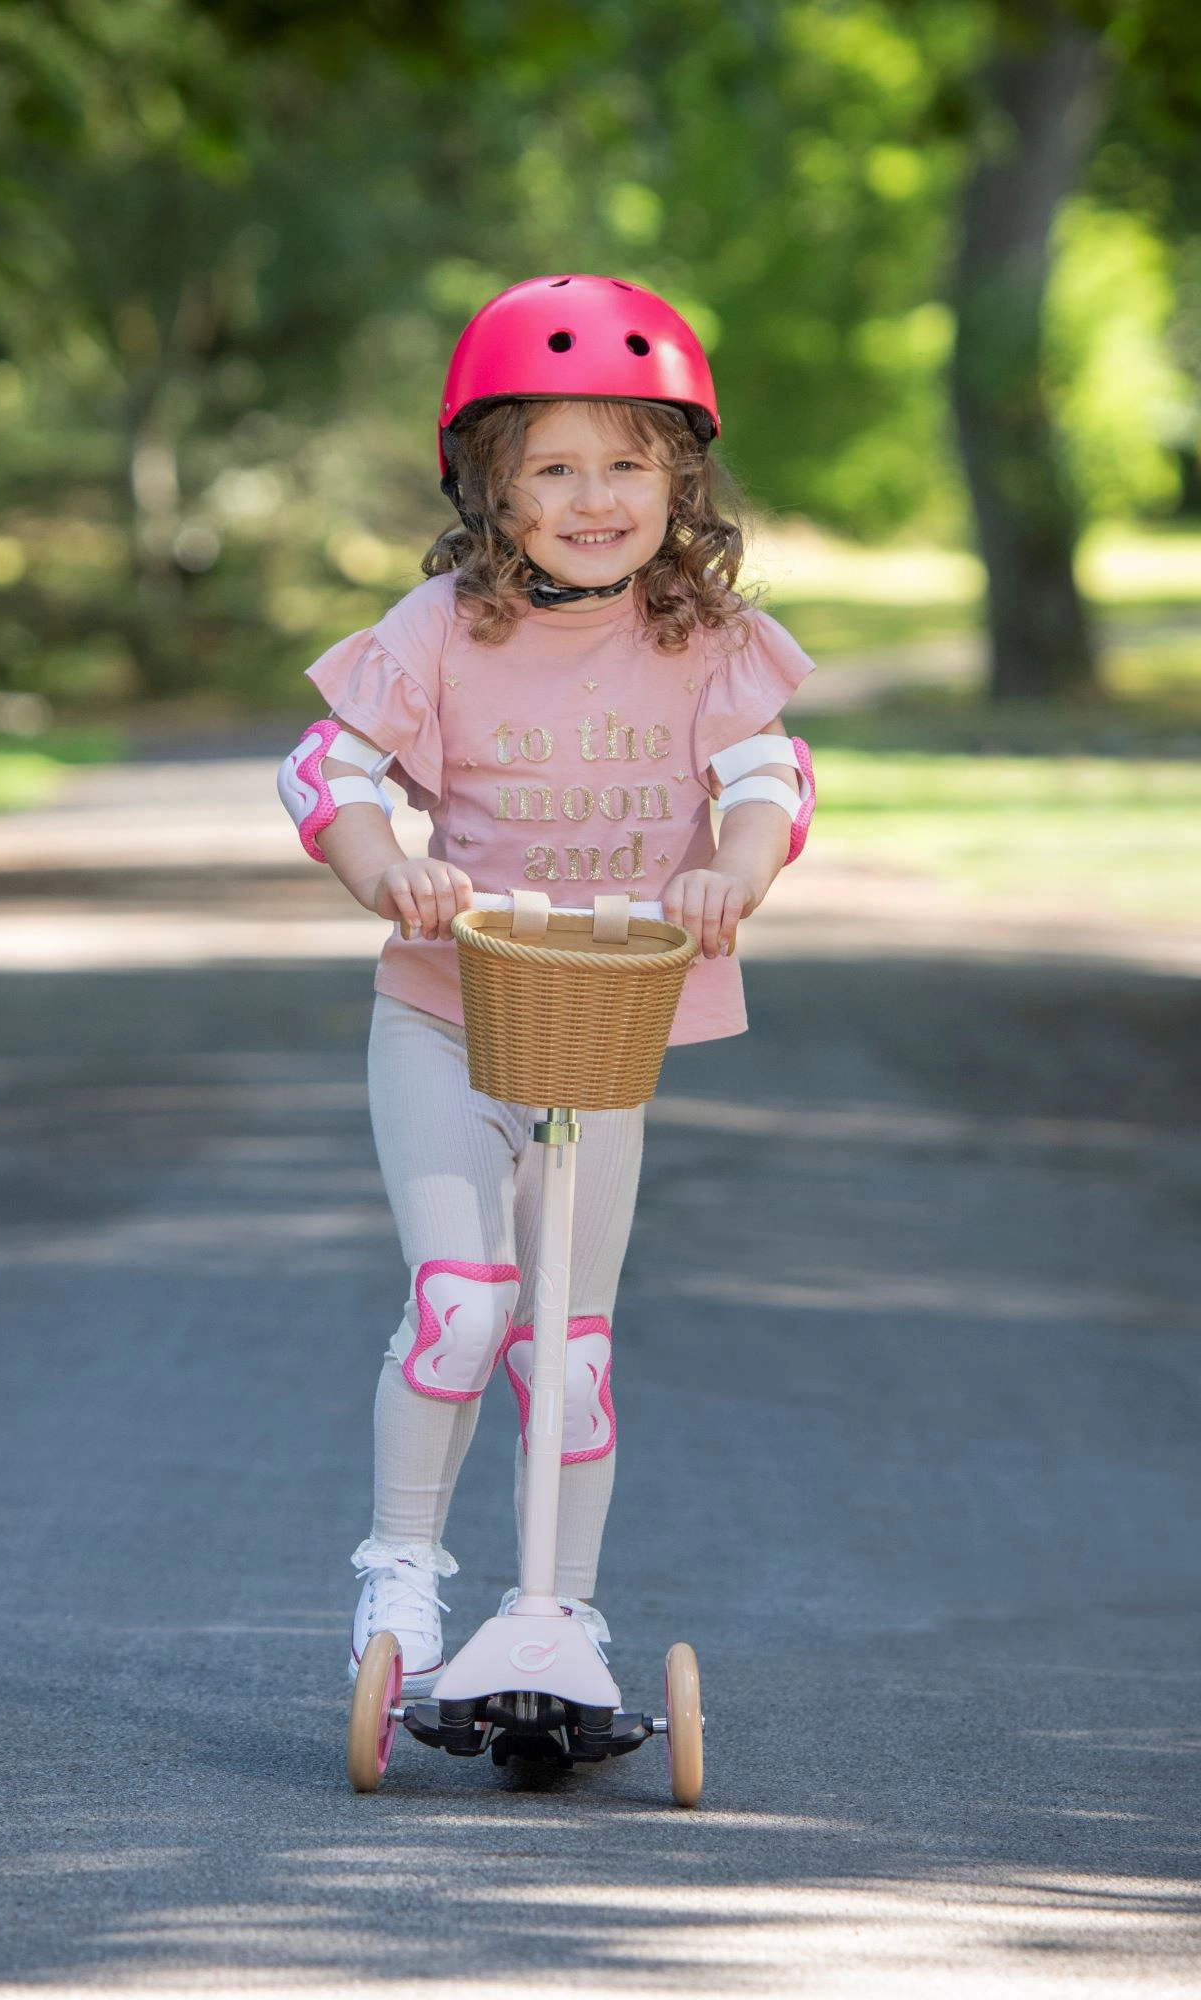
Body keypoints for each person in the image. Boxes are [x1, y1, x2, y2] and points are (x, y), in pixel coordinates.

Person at [274, 274, 819, 1696]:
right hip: (447, 1018)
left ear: (680, 478)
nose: (594, 498)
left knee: (569, 1352)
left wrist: (732, 875)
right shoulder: (442, 627)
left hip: (602, 1031)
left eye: (628, 464)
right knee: (466, 1306)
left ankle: (560, 1609)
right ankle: (402, 1572)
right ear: (490, 486)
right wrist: (385, 868)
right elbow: (326, 770)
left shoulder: (703, 637)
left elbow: (772, 781)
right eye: (554, 469)